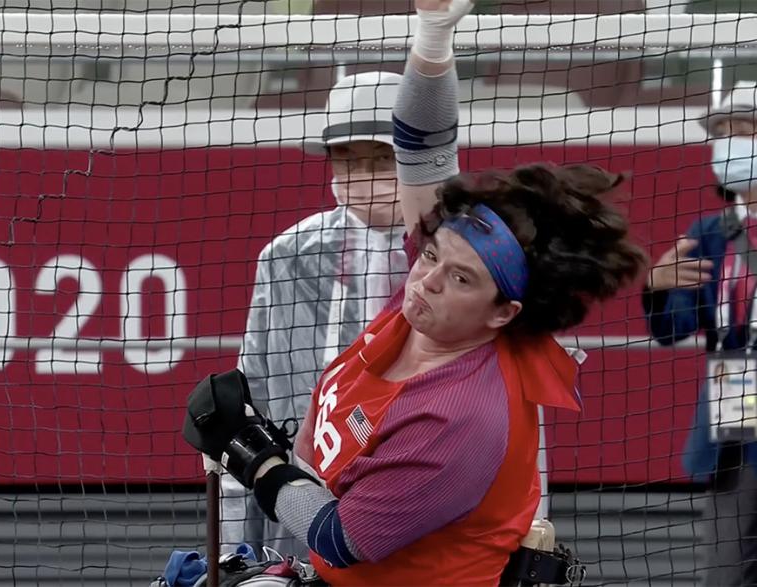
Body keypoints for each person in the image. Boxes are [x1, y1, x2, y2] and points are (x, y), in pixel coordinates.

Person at [186, 0, 646, 584]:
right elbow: (424, 143)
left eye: (458, 278)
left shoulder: (458, 417)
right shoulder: (441, 300)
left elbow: (340, 535)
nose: (424, 279)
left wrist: (253, 457)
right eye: (429, 255)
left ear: (505, 312)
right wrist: (432, 39)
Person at [224, 70, 409, 555]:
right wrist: (238, 551)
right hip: (301, 506)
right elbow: (254, 397)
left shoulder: (460, 256)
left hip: (418, 503)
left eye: (379, 159)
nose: (361, 177)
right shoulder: (287, 256)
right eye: (347, 161)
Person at [643, 80, 757, 585]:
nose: (732, 142)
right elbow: (673, 329)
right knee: (728, 564)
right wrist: (656, 286)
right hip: (735, 393)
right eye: (724, 133)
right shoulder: (711, 232)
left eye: (746, 131)